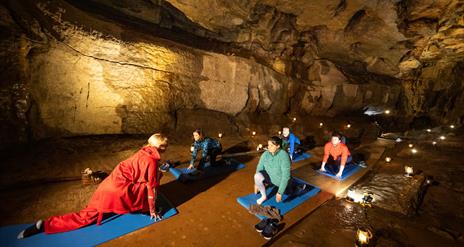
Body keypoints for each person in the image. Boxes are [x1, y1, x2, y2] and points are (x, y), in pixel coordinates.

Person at [17, 133, 169, 239]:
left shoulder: (142, 152)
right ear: (161, 147)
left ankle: (44, 225)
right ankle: (144, 210)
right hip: (119, 191)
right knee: (151, 184)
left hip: (107, 186)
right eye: (164, 146)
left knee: (85, 216)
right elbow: (151, 188)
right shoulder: (152, 161)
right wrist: (152, 209)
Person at [254, 136, 292, 205]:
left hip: (280, 181)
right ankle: (264, 196)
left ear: (278, 146)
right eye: (268, 145)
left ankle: (297, 188)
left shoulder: (284, 156)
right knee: (257, 176)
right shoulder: (266, 154)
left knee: (290, 193)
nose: (269, 147)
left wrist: (280, 192)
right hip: (270, 179)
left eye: (271, 145)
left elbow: (286, 176)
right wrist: (257, 183)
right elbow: (259, 167)